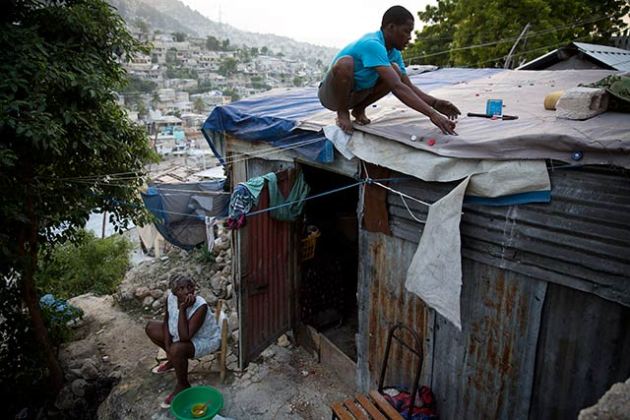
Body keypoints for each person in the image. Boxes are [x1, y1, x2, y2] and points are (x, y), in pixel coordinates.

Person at [318, 5, 460, 135]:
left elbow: (406, 86)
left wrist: (435, 103)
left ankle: (359, 109)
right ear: (391, 27)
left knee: (395, 71)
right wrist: (432, 114)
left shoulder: (394, 53)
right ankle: (342, 113)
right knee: (345, 63)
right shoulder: (372, 44)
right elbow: (397, 87)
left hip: (356, 95)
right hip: (333, 96)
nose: (410, 37)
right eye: (406, 31)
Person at [145, 274, 221, 408]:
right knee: (150, 327)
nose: (187, 291)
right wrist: (168, 347)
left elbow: (185, 337)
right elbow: (167, 321)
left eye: (190, 287)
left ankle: (183, 384)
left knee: (177, 349)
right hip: (178, 334)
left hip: (204, 340)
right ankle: (173, 360)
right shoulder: (171, 298)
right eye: (181, 288)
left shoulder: (200, 306)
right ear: (174, 292)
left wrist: (183, 309)